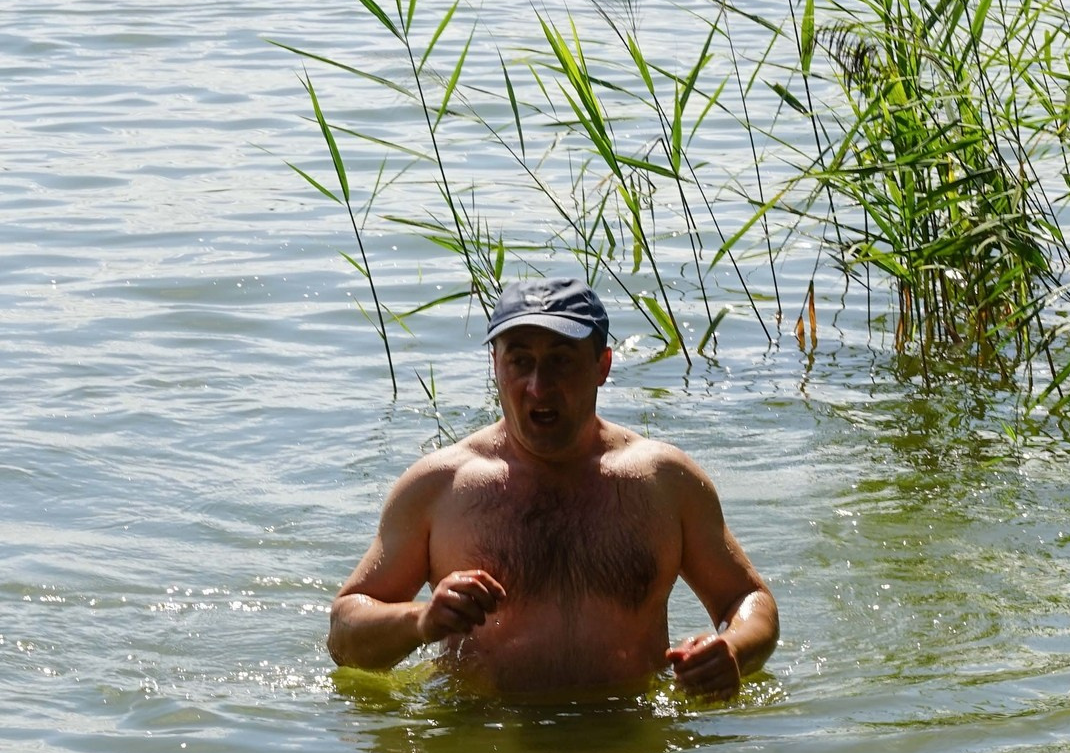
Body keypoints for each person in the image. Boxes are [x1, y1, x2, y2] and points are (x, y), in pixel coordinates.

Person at [327, 277, 778, 699]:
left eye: (560, 361)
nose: (538, 387)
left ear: (602, 365)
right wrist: (419, 621)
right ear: (495, 365)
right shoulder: (439, 487)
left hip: (628, 741)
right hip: (483, 745)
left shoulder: (664, 481)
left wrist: (733, 648)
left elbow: (747, 600)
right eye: (520, 361)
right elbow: (345, 634)